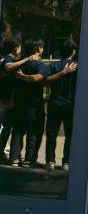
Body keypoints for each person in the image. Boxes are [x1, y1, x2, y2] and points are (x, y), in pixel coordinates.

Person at [9, 39, 49, 167]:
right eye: (42, 47)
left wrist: (20, 76)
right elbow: (37, 78)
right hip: (34, 105)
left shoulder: (17, 64)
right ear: (39, 49)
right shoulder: (40, 65)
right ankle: (29, 160)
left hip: (19, 102)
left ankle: (15, 158)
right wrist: (25, 77)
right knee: (34, 132)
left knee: (17, 131)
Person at [0, 38, 30, 161]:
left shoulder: (3, 58)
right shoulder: (8, 58)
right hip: (6, 99)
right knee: (7, 127)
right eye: (19, 46)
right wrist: (27, 59)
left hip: (2, 99)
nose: (20, 49)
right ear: (15, 48)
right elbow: (8, 67)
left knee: (4, 127)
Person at [45, 39, 78, 172]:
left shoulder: (55, 66)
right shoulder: (77, 66)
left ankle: (50, 161)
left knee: (52, 133)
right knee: (70, 135)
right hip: (71, 105)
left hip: (55, 102)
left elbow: (45, 80)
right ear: (73, 52)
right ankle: (66, 162)